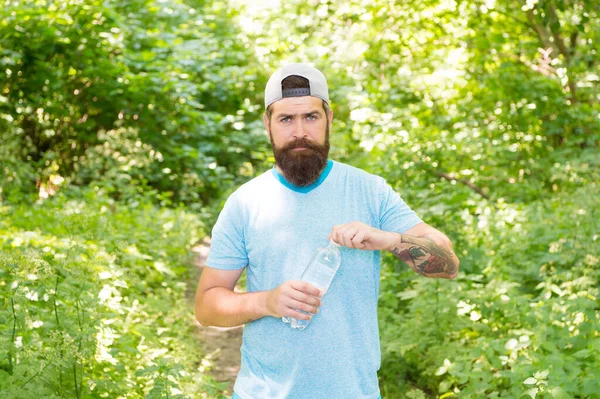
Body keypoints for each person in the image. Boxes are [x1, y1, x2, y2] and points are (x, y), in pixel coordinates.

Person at [194, 63, 460, 399]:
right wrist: (268, 301)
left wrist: (389, 239)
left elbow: (448, 263)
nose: (299, 132)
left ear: (329, 120)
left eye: (311, 117)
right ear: (268, 125)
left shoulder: (369, 191)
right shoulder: (245, 203)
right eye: (286, 119)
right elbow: (206, 307)